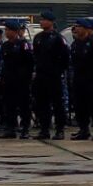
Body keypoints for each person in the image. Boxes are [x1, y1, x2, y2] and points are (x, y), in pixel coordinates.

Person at [32, 10, 69, 140]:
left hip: (54, 75)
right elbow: (35, 57)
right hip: (41, 75)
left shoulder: (58, 38)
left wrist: (59, 72)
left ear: (51, 22)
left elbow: (65, 58)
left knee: (57, 103)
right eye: (41, 20)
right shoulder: (38, 38)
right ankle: (44, 129)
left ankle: (59, 129)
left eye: (44, 20)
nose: (41, 22)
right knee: (42, 103)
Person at [0, 19, 34, 139]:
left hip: (22, 80)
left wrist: (26, 77)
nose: (6, 32)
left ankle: (25, 128)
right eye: (6, 30)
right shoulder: (5, 45)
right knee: (9, 105)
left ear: (16, 31)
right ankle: (11, 128)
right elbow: (4, 63)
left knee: (24, 105)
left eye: (9, 30)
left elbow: (29, 63)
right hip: (9, 79)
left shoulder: (23, 45)